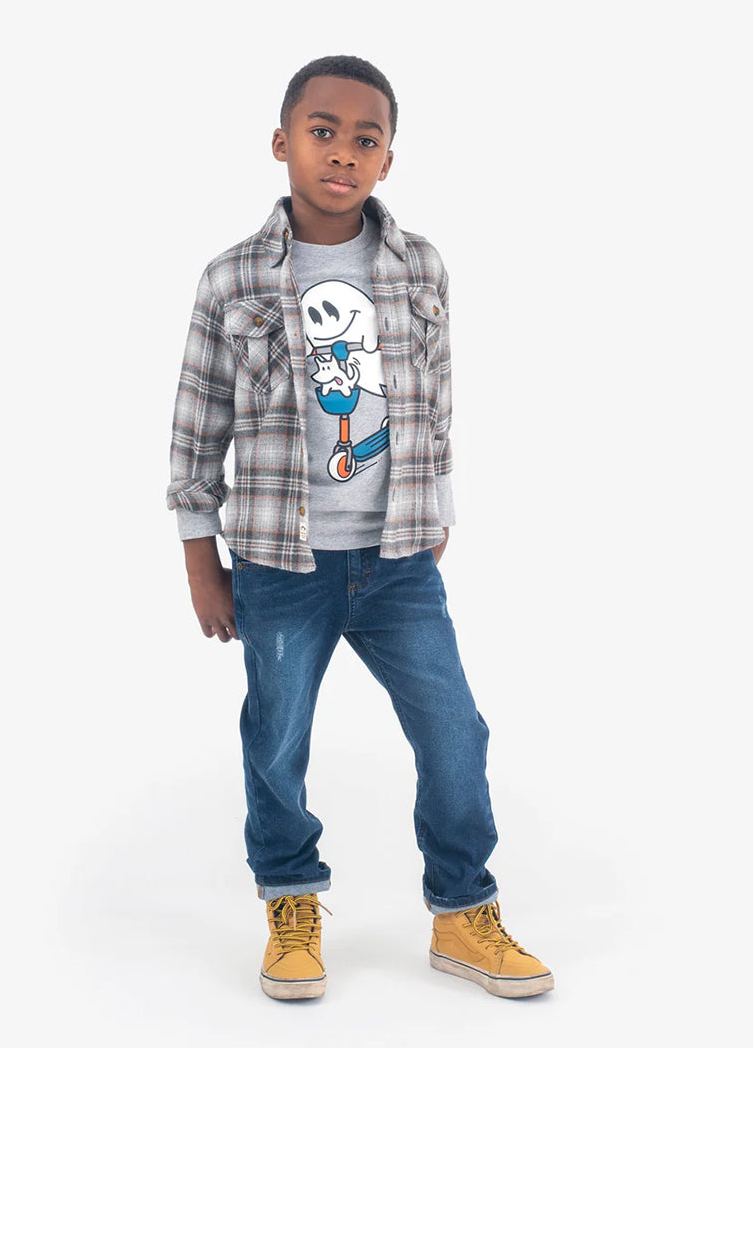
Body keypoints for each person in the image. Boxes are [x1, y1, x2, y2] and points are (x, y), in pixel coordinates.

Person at [166, 54, 554, 1003]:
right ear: (282, 142)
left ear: (387, 160)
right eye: (323, 131)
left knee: (455, 730)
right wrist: (201, 561)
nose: (343, 151)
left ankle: (463, 910)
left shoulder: (420, 266)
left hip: (397, 561)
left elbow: (436, 394)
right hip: (279, 561)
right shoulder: (232, 277)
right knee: (276, 735)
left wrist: (437, 505)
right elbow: (197, 420)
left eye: (365, 138)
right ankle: (290, 900)